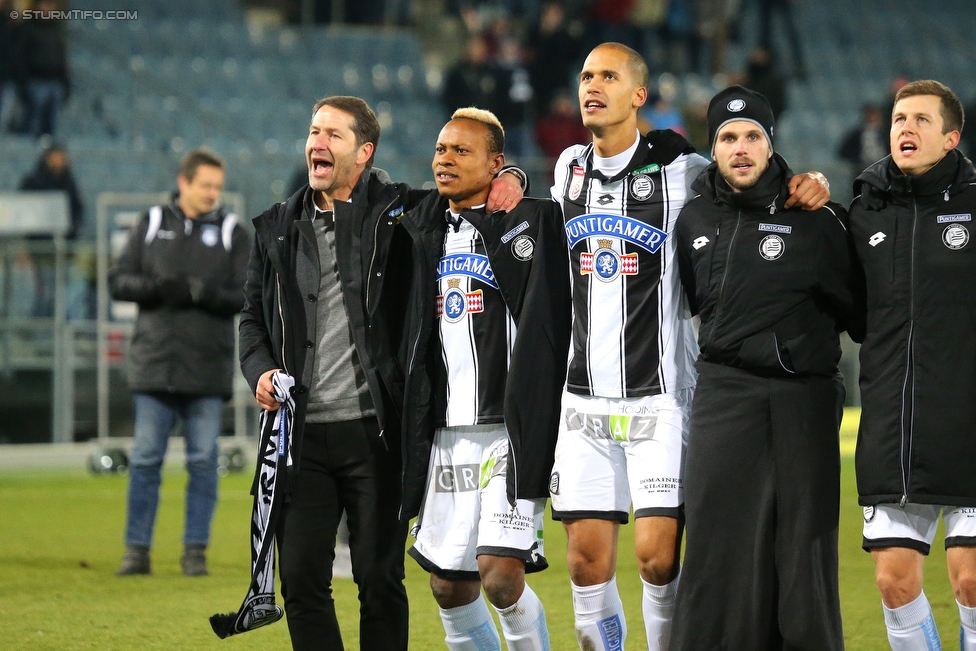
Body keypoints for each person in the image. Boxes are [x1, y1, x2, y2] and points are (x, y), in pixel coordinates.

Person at [546, 42, 830, 651]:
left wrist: (808, 181)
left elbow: (746, 169)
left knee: (657, 560)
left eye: (609, 77)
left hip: (661, 399)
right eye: (586, 75)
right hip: (583, 402)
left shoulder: (683, 171)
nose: (593, 86)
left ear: (639, 95)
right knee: (584, 563)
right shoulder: (567, 166)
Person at [238, 95, 525, 650]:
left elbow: (468, 182)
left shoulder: (402, 214)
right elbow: (252, 317)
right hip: (300, 438)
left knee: (379, 580)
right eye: (314, 130)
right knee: (300, 583)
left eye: (333, 135)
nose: (317, 143)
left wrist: (510, 172)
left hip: (377, 435)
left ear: (363, 152)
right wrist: (260, 370)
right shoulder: (277, 226)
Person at [670, 85, 859, 650]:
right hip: (725, 394)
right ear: (714, 148)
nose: (741, 147)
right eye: (728, 138)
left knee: (805, 546)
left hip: (803, 398)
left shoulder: (820, 217)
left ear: (772, 145)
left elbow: (862, 311)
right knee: (714, 544)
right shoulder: (694, 216)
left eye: (753, 136)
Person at [400, 108, 571, 651]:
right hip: (445, 434)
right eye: (441, 150)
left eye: (461, 151)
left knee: (500, 575)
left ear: (496, 164)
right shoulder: (419, 227)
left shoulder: (532, 220)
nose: (444, 160)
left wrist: (519, 179)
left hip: (509, 430)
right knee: (448, 586)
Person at [848, 79, 976, 651]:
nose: (906, 128)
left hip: (967, 422)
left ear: (951, 137)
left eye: (922, 120)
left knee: (971, 580)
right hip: (892, 421)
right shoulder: (863, 210)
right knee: (894, 582)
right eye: (901, 118)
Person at [110, 148, 249, 577]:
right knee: (147, 459)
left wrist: (201, 294)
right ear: (184, 181)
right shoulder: (151, 222)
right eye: (206, 185)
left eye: (217, 186)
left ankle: (195, 552)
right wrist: (158, 288)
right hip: (155, 364)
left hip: (206, 369)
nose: (213, 193)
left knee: (204, 461)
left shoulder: (233, 232)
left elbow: (247, 295)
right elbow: (118, 281)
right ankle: (136, 552)